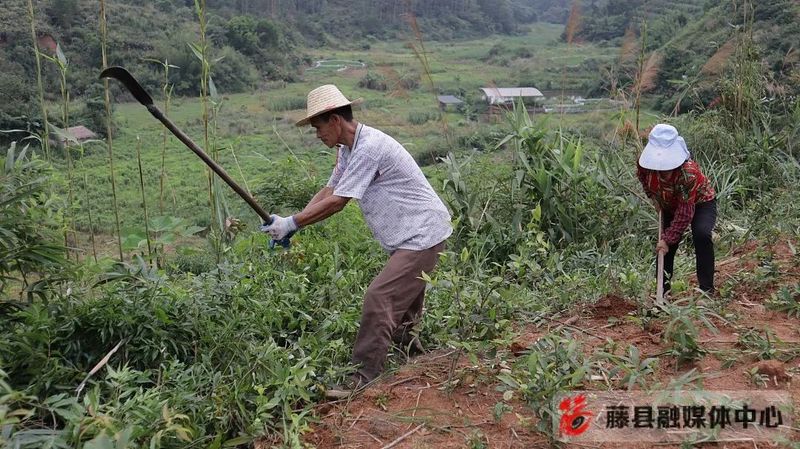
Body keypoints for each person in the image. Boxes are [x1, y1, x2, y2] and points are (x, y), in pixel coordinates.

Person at [262, 85, 452, 397]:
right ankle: (415, 359)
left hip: (423, 235)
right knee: (403, 308)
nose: (317, 135)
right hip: (410, 236)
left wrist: (293, 222)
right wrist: (290, 223)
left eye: (318, 127)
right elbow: (329, 190)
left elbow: (338, 202)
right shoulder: (347, 150)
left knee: (380, 298)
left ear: (335, 120)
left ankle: (362, 379)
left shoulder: (369, 147)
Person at [637, 124, 717, 295]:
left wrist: (668, 239)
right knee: (664, 250)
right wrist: (653, 197)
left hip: (700, 202)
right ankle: (662, 294)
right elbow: (643, 178)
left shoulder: (688, 173)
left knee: (701, 234)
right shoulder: (644, 164)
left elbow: (684, 213)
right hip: (668, 204)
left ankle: (706, 290)